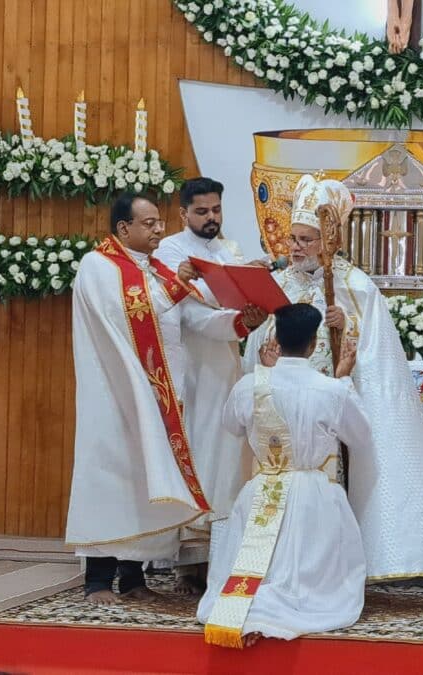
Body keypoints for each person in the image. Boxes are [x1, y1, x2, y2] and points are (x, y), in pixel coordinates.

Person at [242, 173, 423, 581]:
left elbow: (377, 361)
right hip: (283, 416)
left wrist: (347, 327)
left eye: (306, 240)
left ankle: (337, 569)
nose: (295, 248)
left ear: (329, 241)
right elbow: (257, 345)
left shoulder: (355, 286)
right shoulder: (276, 284)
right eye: (293, 238)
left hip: (331, 415)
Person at [65, 191, 265, 605]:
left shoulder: (153, 269)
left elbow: (194, 320)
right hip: (117, 394)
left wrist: (240, 323)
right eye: (150, 223)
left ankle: (133, 577)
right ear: (124, 229)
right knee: (112, 480)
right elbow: (131, 314)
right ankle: (97, 582)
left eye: (159, 222)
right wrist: (180, 282)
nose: (159, 229)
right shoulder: (98, 265)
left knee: (147, 482)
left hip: (157, 395)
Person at [199, 303, 367, 647]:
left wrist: (265, 379)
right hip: (314, 495)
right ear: (314, 343)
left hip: (262, 489)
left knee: (256, 566)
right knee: (307, 584)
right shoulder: (332, 389)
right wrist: (344, 377)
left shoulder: (251, 386)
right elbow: (361, 437)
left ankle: (249, 606)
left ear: (274, 337)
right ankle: (283, 607)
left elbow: (231, 426)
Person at [154, 177, 255, 594]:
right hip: (190, 373)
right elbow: (188, 317)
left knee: (227, 459)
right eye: (202, 211)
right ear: (182, 214)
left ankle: (221, 554)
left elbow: (239, 297)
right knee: (196, 454)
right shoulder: (171, 251)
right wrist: (236, 320)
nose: (211, 218)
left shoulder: (229, 250)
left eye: (216, 210)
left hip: (227, 368)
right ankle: (186, 564)